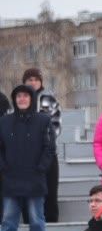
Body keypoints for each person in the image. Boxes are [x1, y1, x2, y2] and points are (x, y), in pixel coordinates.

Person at [0, 84, 53, 231]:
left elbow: (49, 149)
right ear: (14, 99)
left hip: (34, 179)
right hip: (11, 180)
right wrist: (3, 168)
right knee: (8, 220)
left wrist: (40, 168)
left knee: (37, 220)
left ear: (31, 99)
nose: (22, 99)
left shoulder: (44, 120)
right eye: (18, 96)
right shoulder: (4, 121)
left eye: (25, 96)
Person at [20, 69, 61, 223]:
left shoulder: (49, 100)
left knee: (50, 193)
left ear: (41, 82)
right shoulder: (20, 100)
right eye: (29, 79)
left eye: (36, 79)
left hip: (47, 155)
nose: (33, 82)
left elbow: (56, 126)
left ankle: (51, 225)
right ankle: (28, 224)